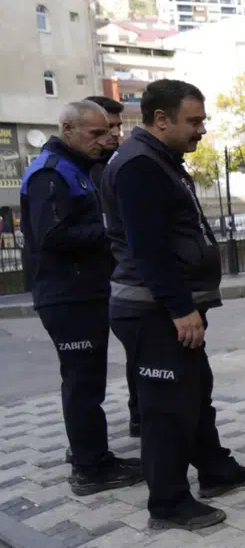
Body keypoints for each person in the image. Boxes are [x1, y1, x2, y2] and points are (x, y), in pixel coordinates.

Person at [101, 79, 245, 531]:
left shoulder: (160, 161)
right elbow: (148, 249)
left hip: (168, 306)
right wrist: (179, 309)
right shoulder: (139, 167)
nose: (202, 130)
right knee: (166, 409)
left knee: (194, 395)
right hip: (154, 312)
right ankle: (168, 502)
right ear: (161, 119)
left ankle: (215, 470)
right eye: (194, 121)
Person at [20, 101, 144, 496]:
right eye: (94, 133)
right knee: (82, 383)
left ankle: (94, 455)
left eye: (105, 131)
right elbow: (51, 237)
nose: (103, 139)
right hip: (66, 296)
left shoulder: (76, 169)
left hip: (84, 291)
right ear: (68, 129)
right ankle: (89, 469)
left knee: (88, 381)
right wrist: (111, 229)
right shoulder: (50, 174)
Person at [84, 95, 141, 440]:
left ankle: (139, 416)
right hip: (94, 280)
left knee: (138, 353)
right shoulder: (79, 169)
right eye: (107, 128)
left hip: (121, 278)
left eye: (119, 126)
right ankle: (88, 452)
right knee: (88, 373)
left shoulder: (120, 162)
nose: (114, 134)